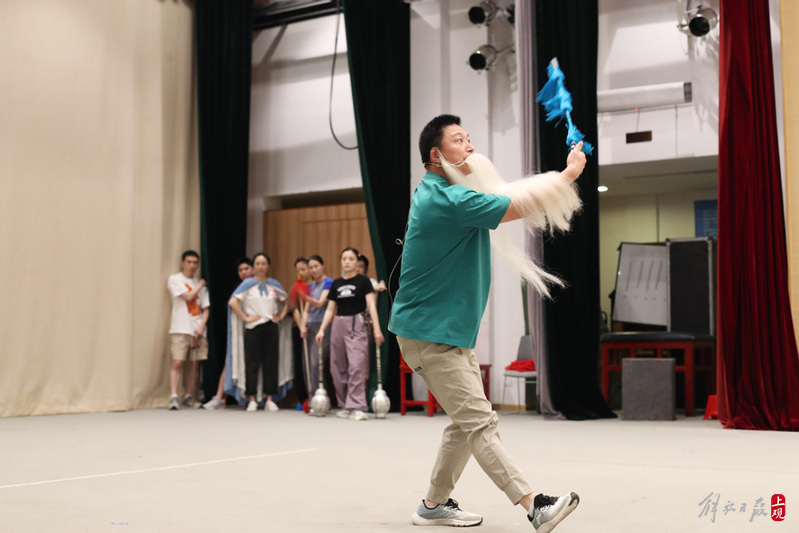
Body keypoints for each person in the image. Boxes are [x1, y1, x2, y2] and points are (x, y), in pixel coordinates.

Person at [389, 115, 586, 531]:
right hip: (428, 333)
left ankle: (433, 504)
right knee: (481, 420)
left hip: (443, 331)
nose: (471, 147)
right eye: (460, 141)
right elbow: (516, 205)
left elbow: (508, 197)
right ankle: (534, 505)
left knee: (464, 423)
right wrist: (568, 174)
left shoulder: (449, 192)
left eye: (469, 138)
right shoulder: (446, 200)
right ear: (436, 155)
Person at [315, 247, 384, 421]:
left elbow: (372, 306)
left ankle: (358, 405)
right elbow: (330, 310)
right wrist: (322, 329)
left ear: (357, 261)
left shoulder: (363, 281)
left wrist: (376, 329)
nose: (347, 262)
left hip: (357, 323)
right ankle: (346, 404)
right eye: (344, 259)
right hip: (338, 323)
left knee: (356, 365)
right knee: (337, 366)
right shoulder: (336, 284)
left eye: (351, 259)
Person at [228, 252, 289, 412]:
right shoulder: (247, 284)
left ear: (268, 266)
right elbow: (233, 302)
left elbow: (286, 301)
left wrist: (281, 316)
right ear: (254, 266)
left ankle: (270, 398)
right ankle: (252, 398)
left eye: (263, 264)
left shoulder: (274, 284)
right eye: (257, 264)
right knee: (252, 363)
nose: (260, 267)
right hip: (253, 328)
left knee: (271, 362)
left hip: (270, 326)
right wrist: (245, 317)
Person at [202, 257, 253, 410]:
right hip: (239, 329)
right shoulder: (237, 288)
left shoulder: (259, 286)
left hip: (256, 329)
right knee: (229, 360)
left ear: (253, 269)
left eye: (246, 269)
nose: (244, 272)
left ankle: (253, 398)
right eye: (240, 270)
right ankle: (218, 396)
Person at [167, 250, 210, 410]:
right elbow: (188, 297)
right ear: (183, 263)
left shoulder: (200, 284)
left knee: (195, 364)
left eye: (195, 263)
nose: (192, 266)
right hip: (180, 327)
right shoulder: (175, 280)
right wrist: (199, 285)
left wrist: (201, 327)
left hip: (197, 328)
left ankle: (189, 395)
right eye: (189, 262)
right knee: (178, 361)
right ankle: (173, 395)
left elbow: (206, 308)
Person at [301, 255, 334, 403]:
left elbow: (320, 303)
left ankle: (320, 396)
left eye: (316, 266)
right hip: (309, 325)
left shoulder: (329, 282)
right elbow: (306, 310)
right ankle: (312, 396)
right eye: (311, 267)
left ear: (322, 265)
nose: (314, 270)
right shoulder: (311, 287)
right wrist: (302, 326)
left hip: (323, 325)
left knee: (316, 362)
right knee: (307, 363)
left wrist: (307, 298)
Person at [289, 257, 312, 410]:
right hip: (299, 328)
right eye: (298, 270)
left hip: (313, 327)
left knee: (312, 363)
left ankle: (314, 396)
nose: (301, 273)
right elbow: (295, 309)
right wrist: (301, 326)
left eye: (304, 269)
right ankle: (302, 398)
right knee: (299, 364)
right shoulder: (296, 288)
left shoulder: (314, 287)